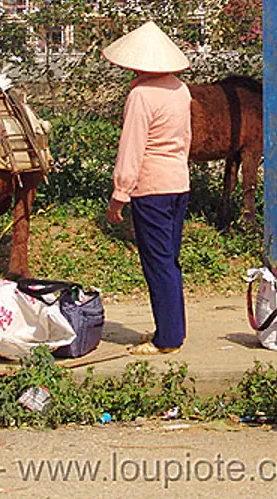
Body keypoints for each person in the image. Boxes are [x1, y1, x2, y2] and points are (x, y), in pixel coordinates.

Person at [104, 21, 193, 355]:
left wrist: (120, 193)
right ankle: (170, 328)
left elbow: (132, 146)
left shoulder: (140, 95)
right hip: (177, 182)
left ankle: (167, 339)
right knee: (169, 259)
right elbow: (185, 140)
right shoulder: (180, 89)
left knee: (157, 262)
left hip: (151, 186)